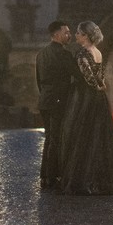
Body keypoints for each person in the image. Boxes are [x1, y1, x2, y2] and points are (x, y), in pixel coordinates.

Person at [58, 20, 113, 195]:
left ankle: (86, 179)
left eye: (78, 32)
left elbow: (88, 78)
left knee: (83, 136)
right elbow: (99, 76)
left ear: (85, 36)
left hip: (85, 98)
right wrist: (101, 86)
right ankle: (106, 177)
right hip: (99, 99)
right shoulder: (98, 52)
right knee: (101, 137)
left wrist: (97, 85)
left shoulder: (82, 53)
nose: (75, 35)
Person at [36, 20, 78, 189]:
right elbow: (77, 75)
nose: (69, 35)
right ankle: (52, 176)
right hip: (58, 101)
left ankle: (45, 175)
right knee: (56, 139)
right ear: (56, 35)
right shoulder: (64, 55)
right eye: (66, 32)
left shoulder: (41, 54)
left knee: (49, 138)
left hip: (45, 100)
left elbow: (39, 80)